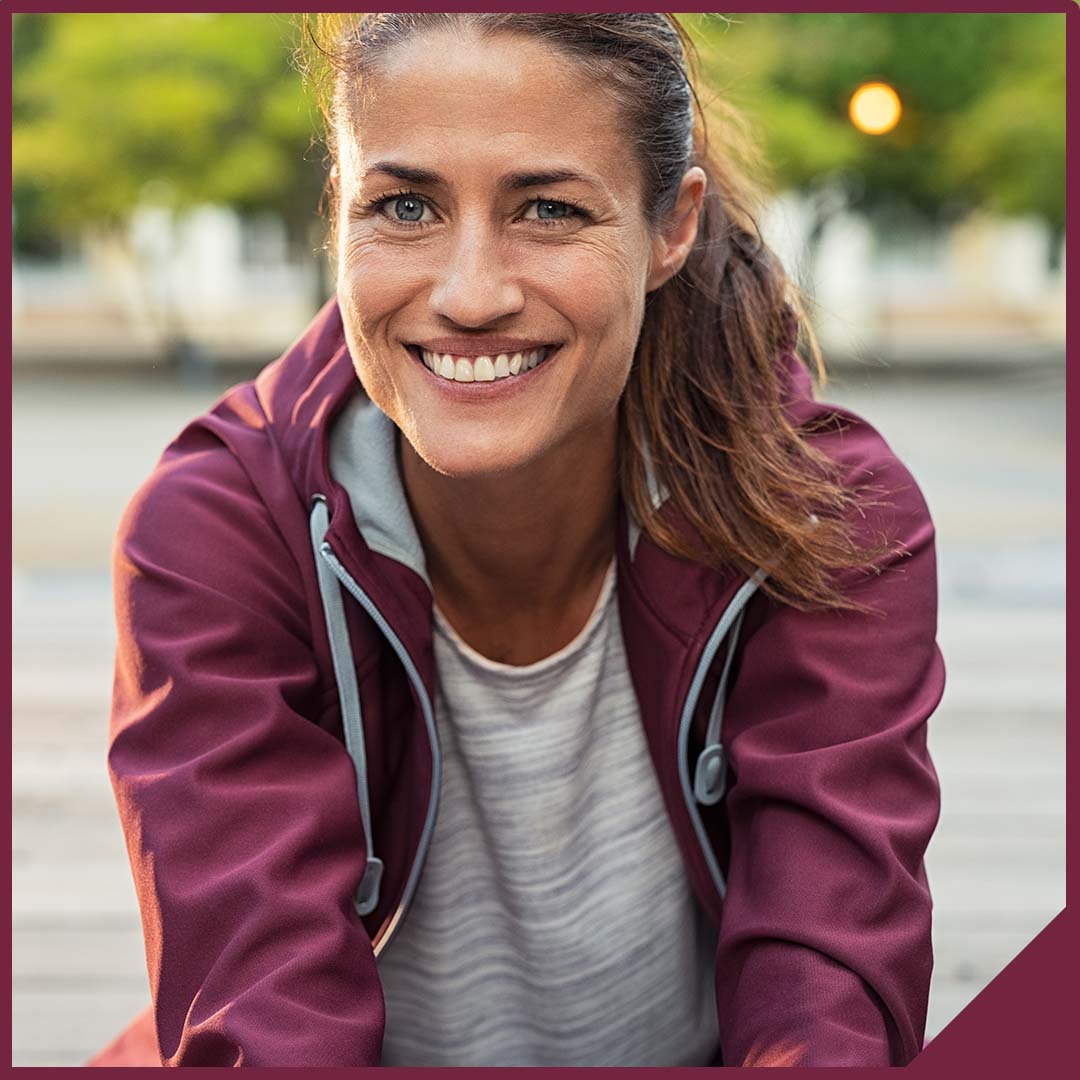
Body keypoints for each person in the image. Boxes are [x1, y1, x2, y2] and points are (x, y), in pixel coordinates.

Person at [94, 12, 944, 1068]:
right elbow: (258, 1029)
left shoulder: (830, 514)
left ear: (670, 228)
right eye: (405, 206)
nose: (470, 295)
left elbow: (828, 1004)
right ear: (338, 212)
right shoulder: (217, 528)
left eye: (547, 209)